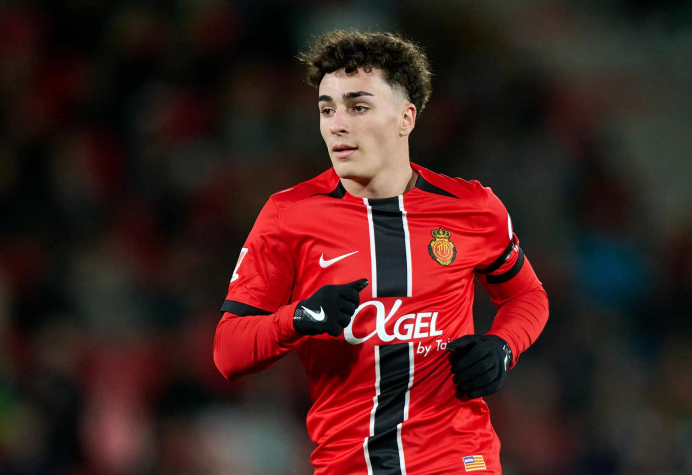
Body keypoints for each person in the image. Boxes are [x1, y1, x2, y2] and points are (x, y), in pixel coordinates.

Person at [214, 29, 549, 474]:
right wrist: (296, 319)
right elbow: (228, 352)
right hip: (349, 464)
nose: (337, 124)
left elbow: (527, 295)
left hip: (459, 458)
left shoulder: (473, 207)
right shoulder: (288, 215)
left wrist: (503, 346)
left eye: (358, 107)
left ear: (405, 118)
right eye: (327, 109)